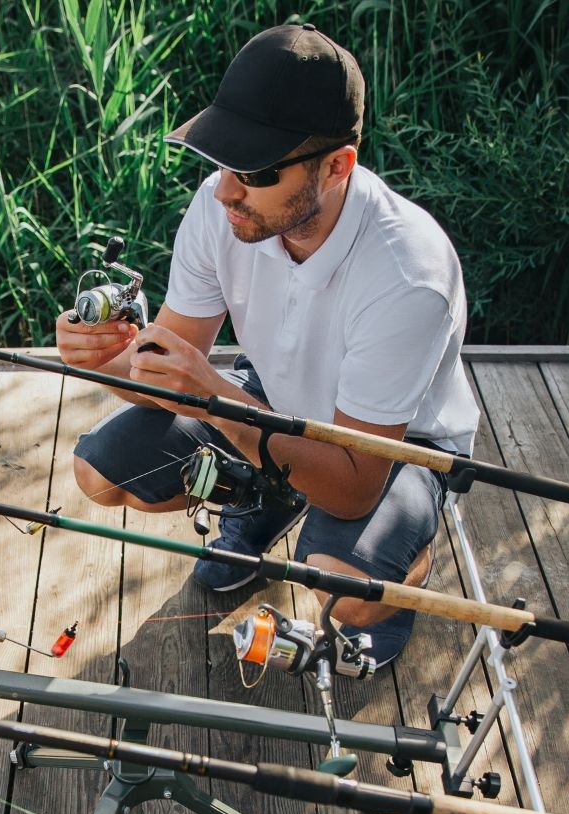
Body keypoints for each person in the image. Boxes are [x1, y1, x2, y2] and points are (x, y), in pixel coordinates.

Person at [56, 23, 478, 667]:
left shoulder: (408, 277)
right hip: (265, 402)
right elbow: (163, 365)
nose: (226, 189)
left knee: (341, 586)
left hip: (396, 450)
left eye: (252, 169)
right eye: (222, 160)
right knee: (101, 473)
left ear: (337, 167)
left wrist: (212, 399)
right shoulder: (224, 207)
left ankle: (401, 578)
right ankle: (270, 494)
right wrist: (100, 356)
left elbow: (355, 487)